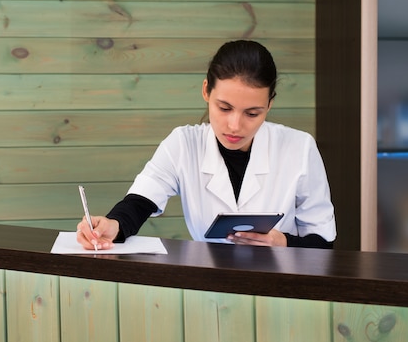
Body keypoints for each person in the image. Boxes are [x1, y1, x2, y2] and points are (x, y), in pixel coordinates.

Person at [77, 40, 336, 249]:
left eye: (253, 113)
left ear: (270, 104)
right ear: (206, 91)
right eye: (224, 108)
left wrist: (284, 243)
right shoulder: (184, 143)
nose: (235, 125)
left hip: (285, 288)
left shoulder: (299, 148)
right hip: (209, 288)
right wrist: (112, 225)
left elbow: (323, 242)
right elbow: (139, 202)